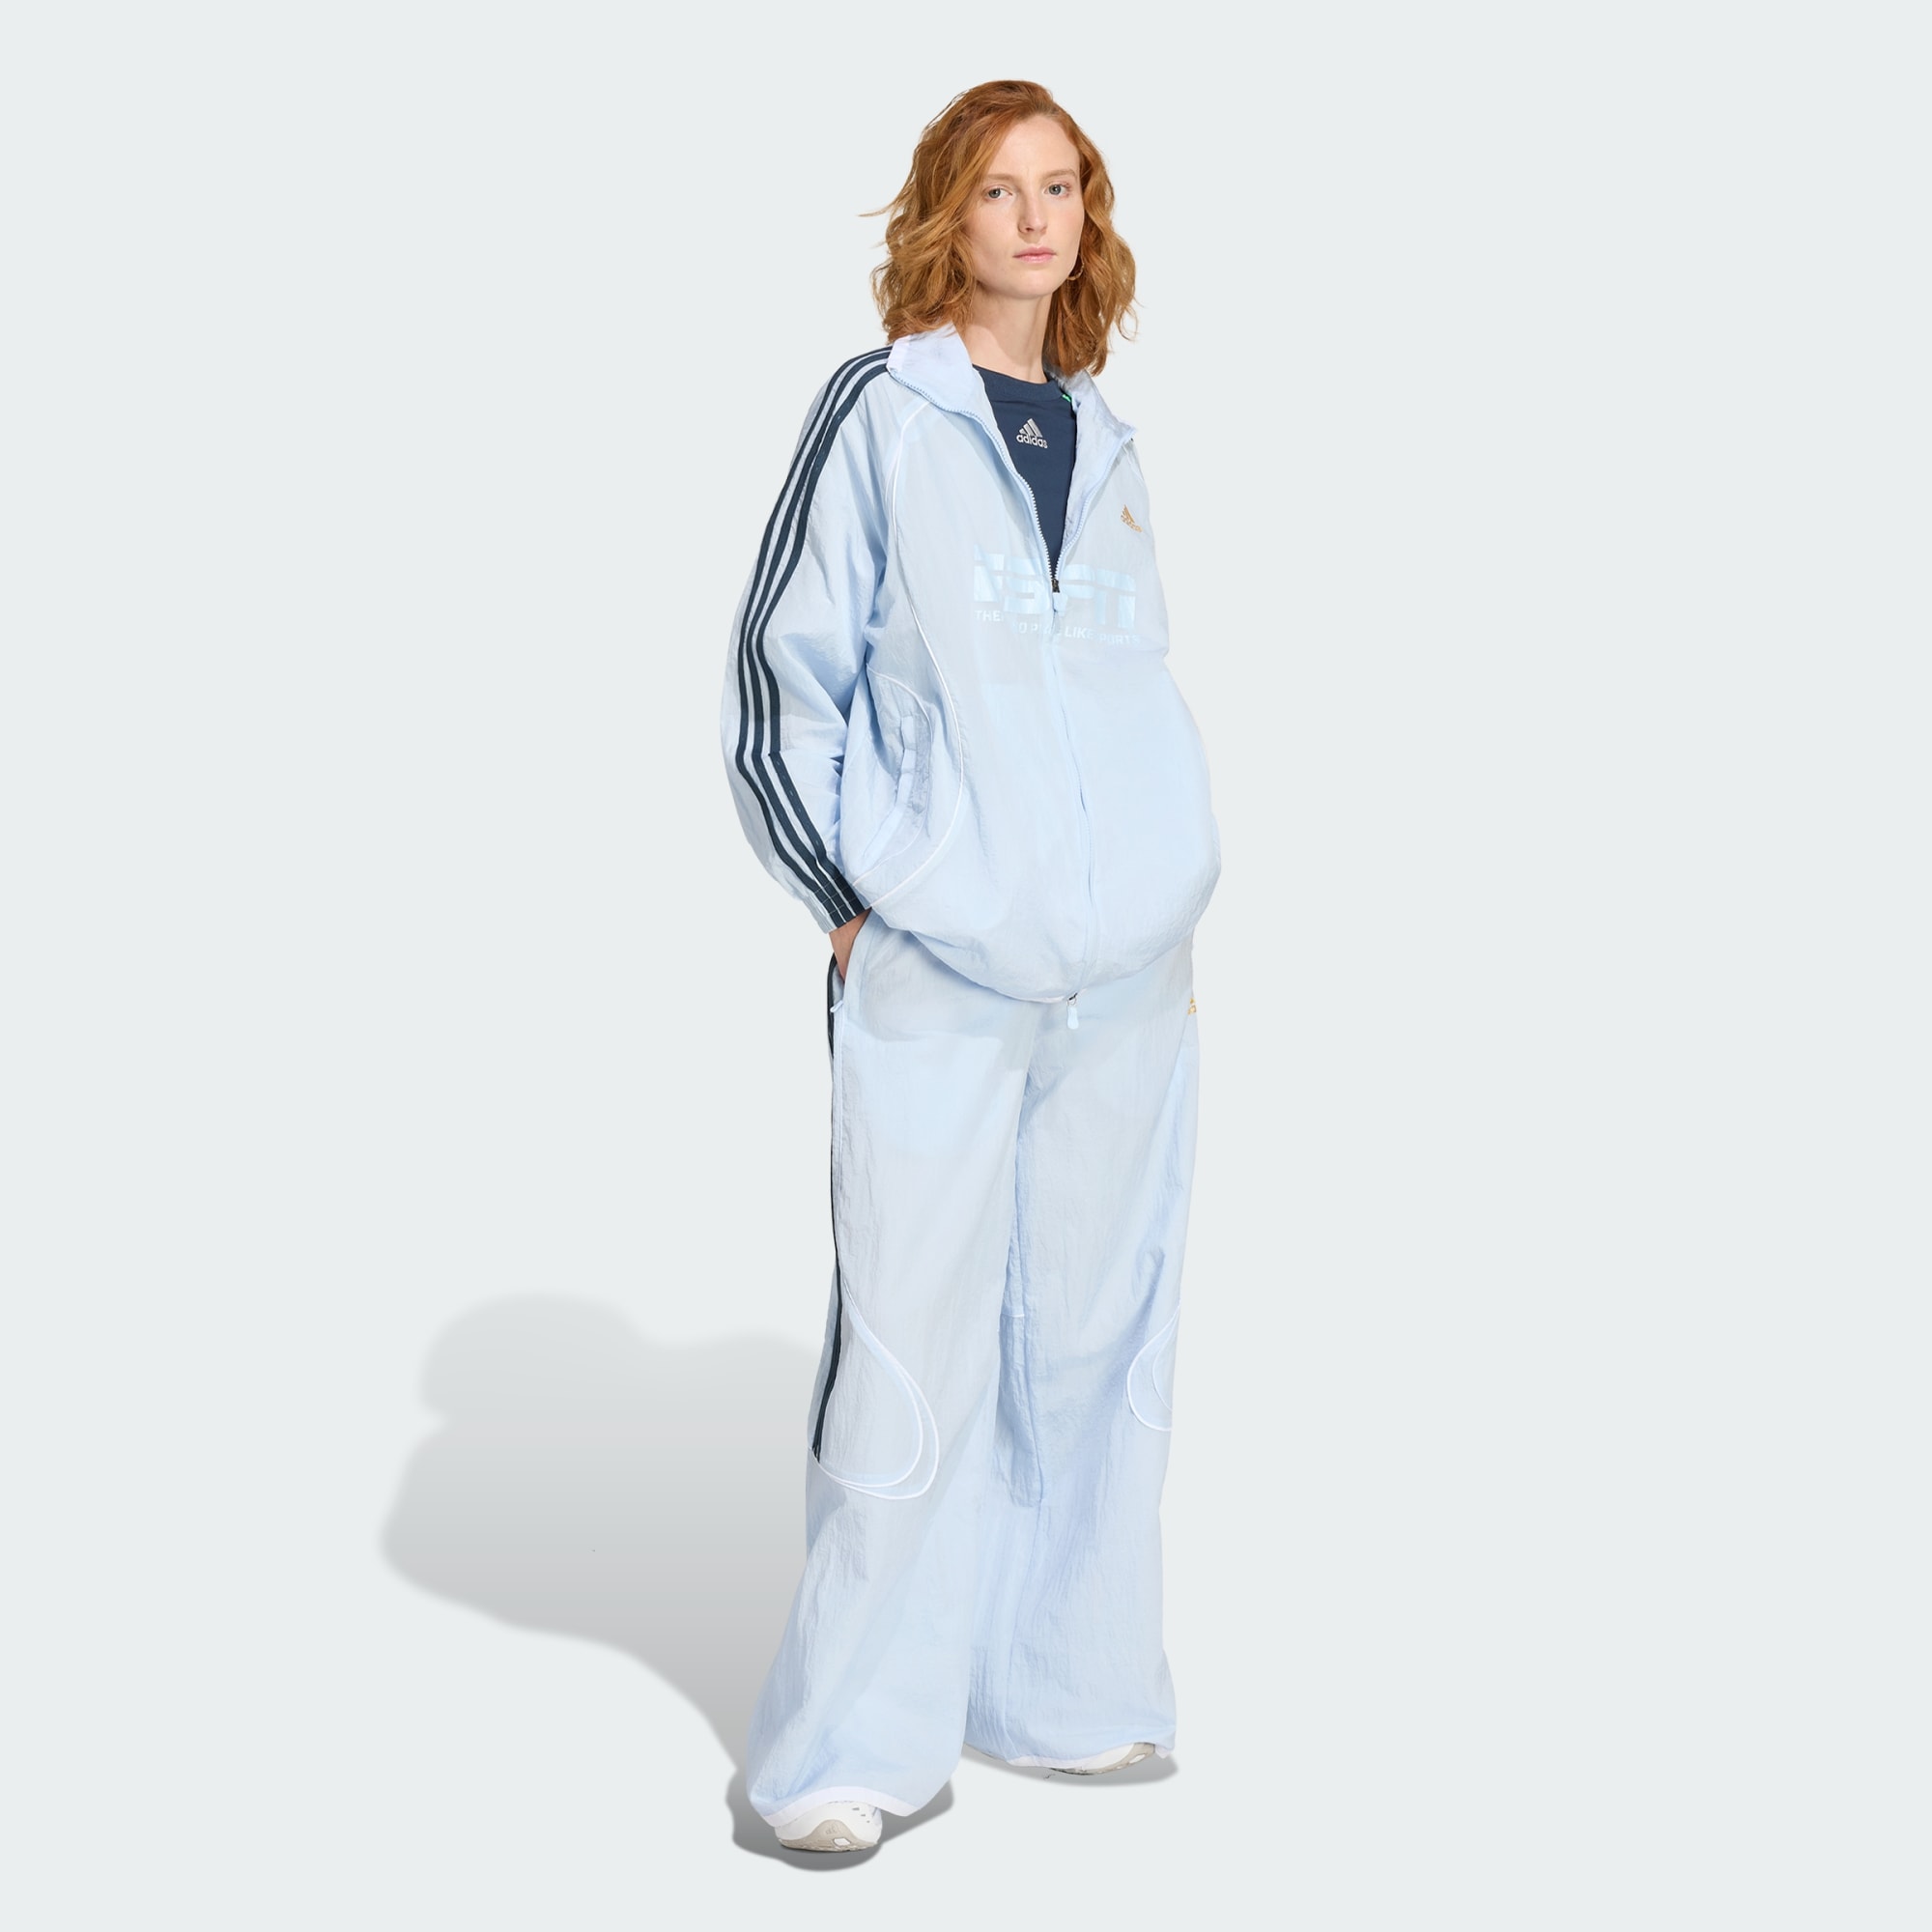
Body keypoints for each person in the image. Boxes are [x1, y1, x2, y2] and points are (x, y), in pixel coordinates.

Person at [720, 78, 1220, 1855]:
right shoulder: (884, 412)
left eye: (1061, 187)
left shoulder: (1106, 436)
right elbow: (781, 682)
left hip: (1127, 981)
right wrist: (851, 904)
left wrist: (1156, 894)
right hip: (938, 965)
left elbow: (1115, 703)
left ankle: (1062, 1690)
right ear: (948, 212)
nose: (1036, 218)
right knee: (912, 1345)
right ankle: (845, 1752)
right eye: (1001, 189)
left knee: (1096, 1335)